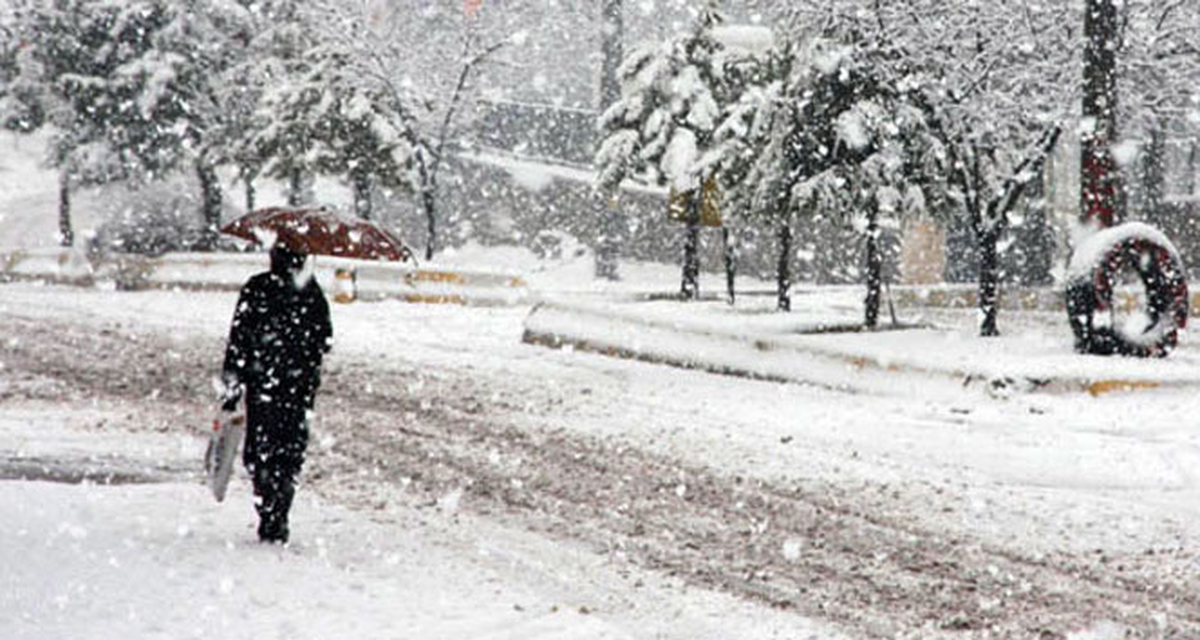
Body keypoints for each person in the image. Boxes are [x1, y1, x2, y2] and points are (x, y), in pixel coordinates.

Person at [220, 243, 332, 543]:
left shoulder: (257, 289)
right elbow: (325, 339)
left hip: (263, 386)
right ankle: (280, 508)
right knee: (290, 451)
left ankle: (268, 507)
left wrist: (232, 384)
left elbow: (238, 340)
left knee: (260, 451)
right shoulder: (311, 293)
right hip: (297, 390)